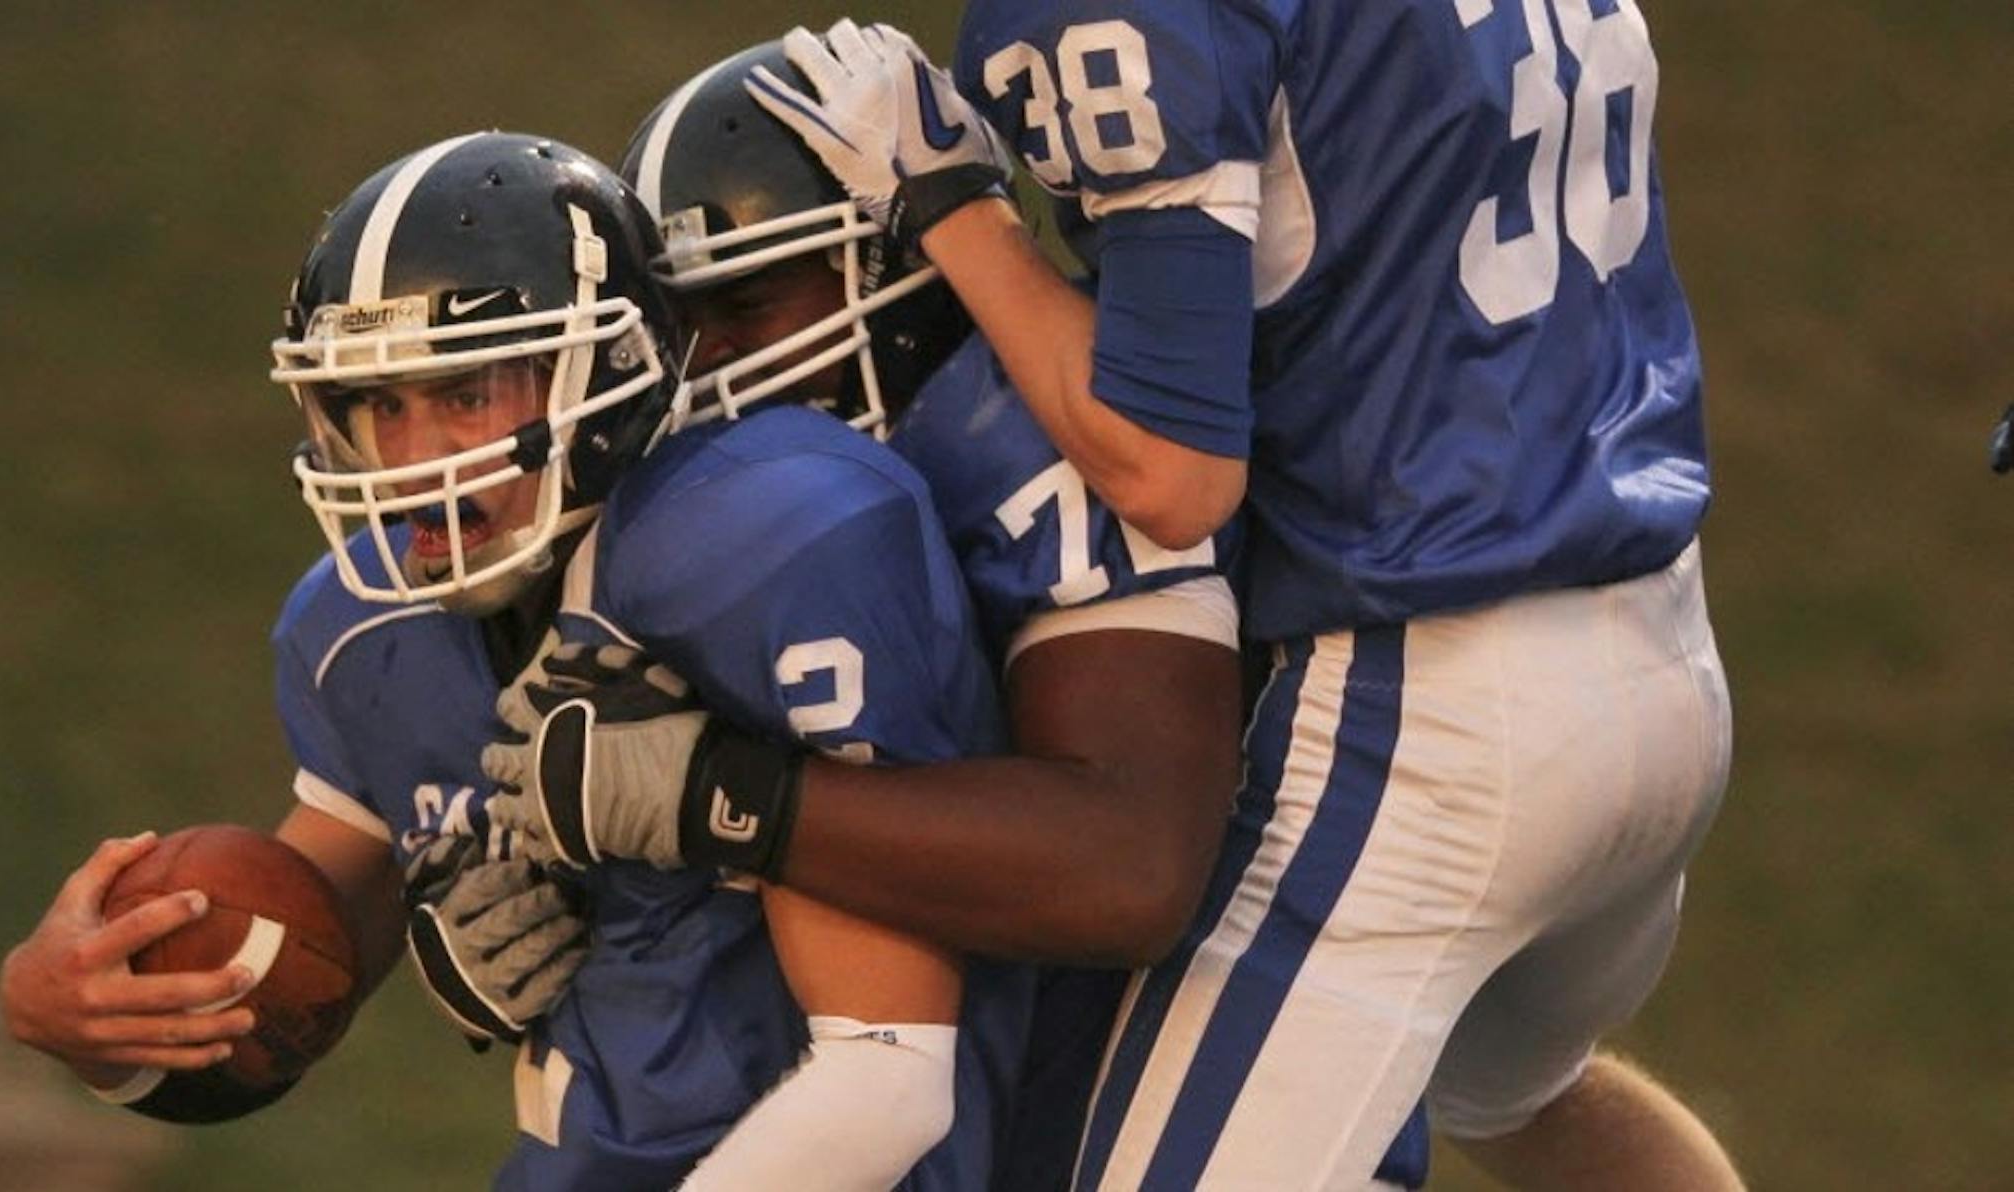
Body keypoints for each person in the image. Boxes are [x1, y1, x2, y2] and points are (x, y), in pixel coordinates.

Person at [567, 12, 1743, 1191]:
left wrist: (954, 206)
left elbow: (1170, 473)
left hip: (1432, 701)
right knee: (1526, 1094)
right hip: (1657, 638)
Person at [458, 37, 1424, 1190]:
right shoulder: (731, 503)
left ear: (900, 263)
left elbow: (1126, 864)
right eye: (685, 324)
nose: (707, 370)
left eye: (748, 304)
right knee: (1530, 1083)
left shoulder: (1027, 440)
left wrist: (717, 796)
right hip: (992, 1089)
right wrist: (547, 894)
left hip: (1208, 1069)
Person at [0, 131, 1036, 1191]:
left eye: (465, 394)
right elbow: (281, 982)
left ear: (611, 366)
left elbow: (888, 1081)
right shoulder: (365, 625)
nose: (413, 459)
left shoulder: (763, 543)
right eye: (379, 405)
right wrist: (79, 1017)